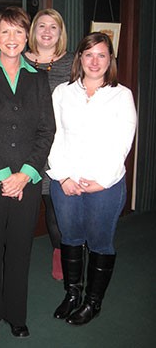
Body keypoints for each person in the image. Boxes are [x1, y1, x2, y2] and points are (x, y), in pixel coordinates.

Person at [0, 6, 54, 340]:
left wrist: (26, 174)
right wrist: (4, 175)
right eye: (5, 31)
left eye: (18, 31)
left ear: (26, 36)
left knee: (19, 250)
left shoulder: (38, 78)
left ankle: (16, 314)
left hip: (27, 183)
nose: (12, 38)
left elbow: (47, 131)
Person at [47, 32, 137, 325]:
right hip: (67, 182)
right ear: (80, 59)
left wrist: (102, 180)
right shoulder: (63, 92)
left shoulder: (121, 95)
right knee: (70, 238)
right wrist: (62, 177)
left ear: (110, 59)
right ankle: (72, 294)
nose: (94, 61)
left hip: (104, 185)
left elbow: (123, 142)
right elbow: (54, 137)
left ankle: (92, 302)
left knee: (100, 242)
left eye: (101, 54)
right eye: (89, 54)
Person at [24, 8, 74, 281]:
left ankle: (60, 252)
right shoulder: (19, 59)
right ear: (33, 31)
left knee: (56, 209)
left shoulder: (72, 63)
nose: (46, 31)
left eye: (53, 27)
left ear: (60, 33)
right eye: (41, 25)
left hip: (59, 149)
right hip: (25, 148)